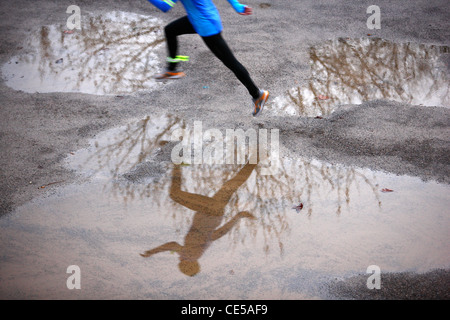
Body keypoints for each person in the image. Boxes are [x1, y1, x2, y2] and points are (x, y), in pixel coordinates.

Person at [147, 0, 269, 116]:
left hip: (206, 25)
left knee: (231, 62)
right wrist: (237, 6)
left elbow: (164, 6)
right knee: (170, 30)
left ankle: (258, 95)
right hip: (198, 19)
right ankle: (171, 69)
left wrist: (237, 6)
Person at [140, 162, 257, 276]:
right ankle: (176, 159)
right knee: (175, 194)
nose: (179, 260)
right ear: (184, 264)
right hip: (207, 210)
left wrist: (238, 216)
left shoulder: (199, 251)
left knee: (233, 184)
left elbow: (219, 233)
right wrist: (153, 251)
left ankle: (255, 158)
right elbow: (172, 245)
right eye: (180, 263)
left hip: (216, 212)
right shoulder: (189, 255)